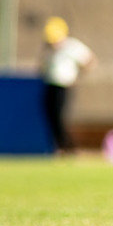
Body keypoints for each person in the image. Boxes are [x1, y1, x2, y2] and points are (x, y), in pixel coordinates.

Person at [40, 16, 96, 153]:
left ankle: (67, 147)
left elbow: (90, 60)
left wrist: (77, 75)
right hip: (50, 85)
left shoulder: (72, 46)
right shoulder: (50, 50)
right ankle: (58, 146)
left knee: (59, 117)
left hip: (63, 86)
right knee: (50, 116)